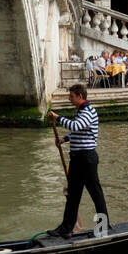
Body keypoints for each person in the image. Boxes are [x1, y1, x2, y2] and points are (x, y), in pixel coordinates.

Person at [46, 85, 109, 237]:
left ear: (80, 96)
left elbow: (76, 126)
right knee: (73, 195)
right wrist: (65, 139)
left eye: (72, 96)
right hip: (77, 159)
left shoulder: (88, 111)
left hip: (87, 159)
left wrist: (58, 117)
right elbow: (79, 132)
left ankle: (103, 227)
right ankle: (66, 228)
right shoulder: (81, 111)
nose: (69, 99)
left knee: (95, 193)